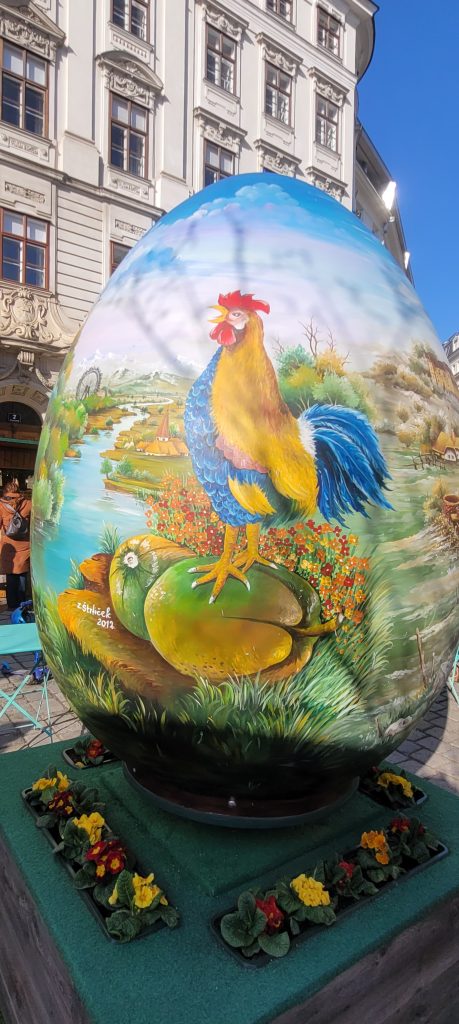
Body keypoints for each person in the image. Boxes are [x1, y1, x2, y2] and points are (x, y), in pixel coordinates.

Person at [0, 476, 32, 610]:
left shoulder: (1, 505)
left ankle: (12, 605)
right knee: (22, 576)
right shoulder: (28, 504)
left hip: (9, 546)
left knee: (11, 576)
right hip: (25, 546)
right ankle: (22, 605)